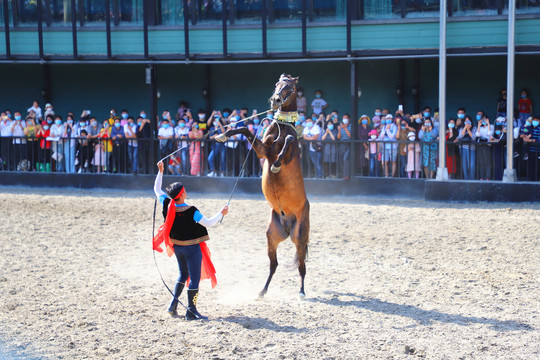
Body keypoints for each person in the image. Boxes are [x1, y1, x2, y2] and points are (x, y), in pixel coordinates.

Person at [153, 160, 228, 320]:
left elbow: (157, 189)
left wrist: (160, 172)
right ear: (181, 194)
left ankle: (173, 305)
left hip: (178, 248)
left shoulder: (167, 204)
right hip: (192, 249)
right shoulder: (191, 210)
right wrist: (221, 213)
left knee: (182, 275)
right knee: (193, 279)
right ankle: (191, 311)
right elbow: (208, 222)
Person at [475, 113, 493, 180]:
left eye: (485, 120)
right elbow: (477, 135)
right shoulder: (480, 127)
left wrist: (488, 124)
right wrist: (479, 126)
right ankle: (481, 176)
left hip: (487, 145)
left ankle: (488, 176)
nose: (484, 121)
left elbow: (489, 133)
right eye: (482, 120)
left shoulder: (491, 126)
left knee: (487, 161)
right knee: (481, 161)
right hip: (480, 145)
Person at [337, 114, 352, 180]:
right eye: (343, 118)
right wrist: (340, 130)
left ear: (349, 119)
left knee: (345, 159)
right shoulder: (340, 126)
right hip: (341, 144)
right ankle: (342, 174)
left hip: (348, 144)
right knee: (341, 160)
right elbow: (338, 137)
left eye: (346, 118)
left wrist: (345, 128)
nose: (344, 119)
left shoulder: (351, 126)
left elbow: (350, 136)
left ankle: (347, 175)